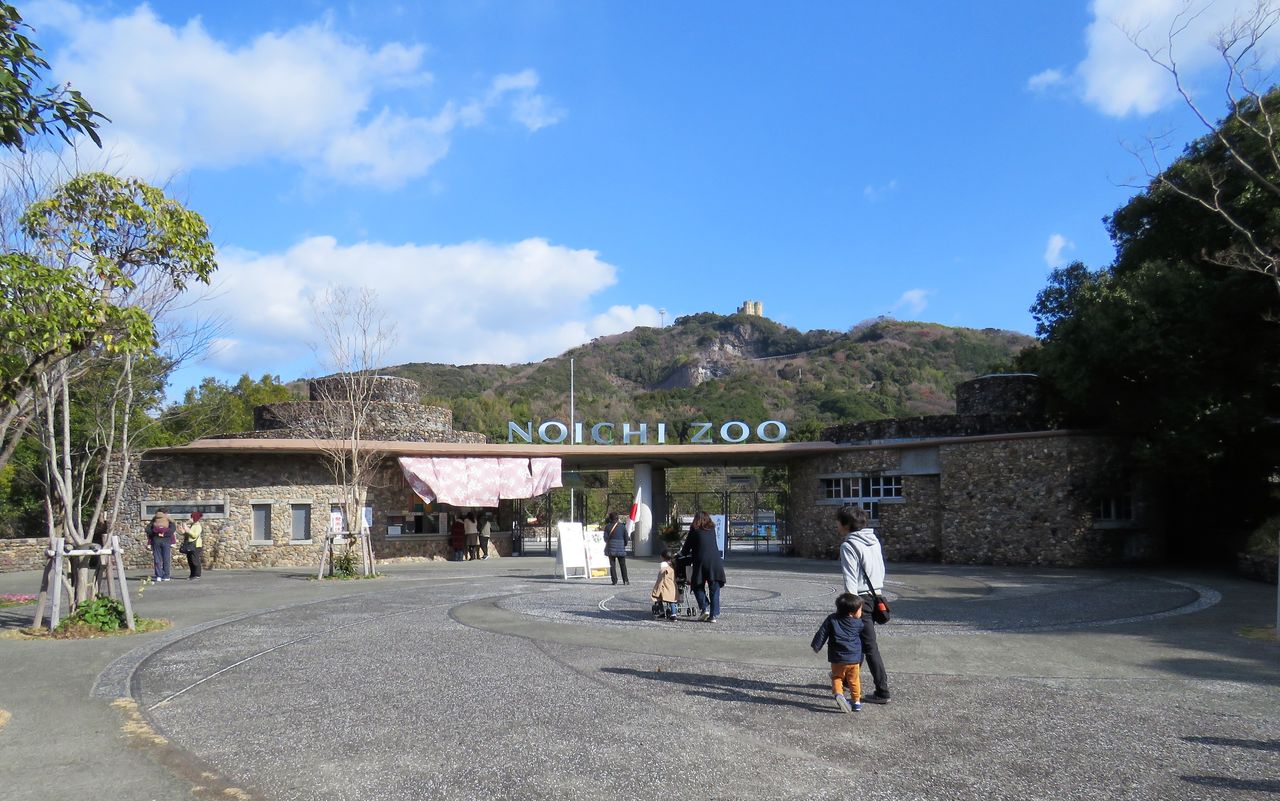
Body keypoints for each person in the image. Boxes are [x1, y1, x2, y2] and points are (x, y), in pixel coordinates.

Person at [837, 505, 891, 703]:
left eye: (838, 521)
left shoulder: (848, 545)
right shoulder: (873, 541)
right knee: (859, 642)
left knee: (868, 646)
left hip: (859, 599)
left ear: (845, 524)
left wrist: (849, 607)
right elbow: (881, 569)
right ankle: (846, 680)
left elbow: (850, 579)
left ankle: (882, 691)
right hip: (876, 596)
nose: (836, 525)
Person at [811, 592, 865, 713]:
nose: (861, 612)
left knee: (837, 677)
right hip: (854, 658)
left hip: (838, 658)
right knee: (854, 680)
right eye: (860, 610)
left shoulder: (832, 619)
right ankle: (856, 702)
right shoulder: (859, 623)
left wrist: (816, 646)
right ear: (852, 613)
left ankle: (839, 694)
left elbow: (822, 632)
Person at [679, 510, 725, 622]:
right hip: (715, 562)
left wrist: (680, 555)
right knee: (714, 588)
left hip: (700, 562)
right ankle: (713, 615)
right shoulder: (712, 529)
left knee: (696, 585)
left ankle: (705, 608)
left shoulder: (694, 530)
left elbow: (686, 548)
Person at [146, 509, 176, 582]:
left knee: (157, 559)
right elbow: (173, 529)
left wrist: (155, 533)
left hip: (156, 540)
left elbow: (148, 529)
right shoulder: (168, 519)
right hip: (166, 540)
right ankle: (166, 575)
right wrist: (165, 533)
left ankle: (158, 575)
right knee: (166, 559)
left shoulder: (154, 519)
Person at [650, 549, 678, 620]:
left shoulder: (664, 566)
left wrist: (656, 587)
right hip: (672, 586)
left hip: (664, 586)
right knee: (671, 601)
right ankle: (673, 615)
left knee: (658, 599)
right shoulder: (673, 564)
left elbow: (661, 578)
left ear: (663, 557)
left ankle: (662, 612)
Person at [603, 511, 630, 585]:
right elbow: (626, 538)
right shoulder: (622, 526)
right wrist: (624, 544)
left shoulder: (607, 527)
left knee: (612, 565)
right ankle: (626, 580)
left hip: (611, 548)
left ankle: (614, 581)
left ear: (610, 518)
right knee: (623, 565)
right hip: (621, 547)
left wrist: (610, 542)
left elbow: (605, 538)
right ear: (617, 518)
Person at [180, 511, 205, 580]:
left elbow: (194, 535)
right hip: (190, 545)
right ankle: (192, 574)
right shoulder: (193, 525)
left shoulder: (198, 526)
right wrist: (184, 532)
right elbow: (189, 535)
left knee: (195, 560)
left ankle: (197, 575)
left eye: (192, 517)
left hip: (196, 546)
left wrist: (187, 529)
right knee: (190, 560)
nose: (190, 518)